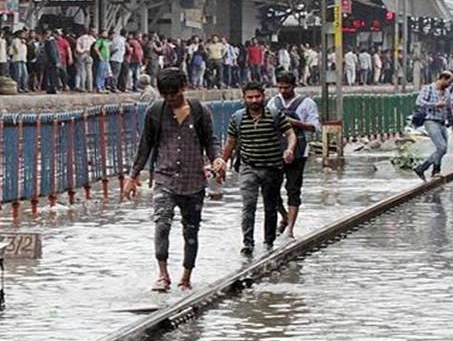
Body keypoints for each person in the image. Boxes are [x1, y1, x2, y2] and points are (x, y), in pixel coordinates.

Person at [123, 68, 225, 292]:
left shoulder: (199, 111)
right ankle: (163, 274)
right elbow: (145, 146)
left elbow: (211, 141)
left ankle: (186, 277)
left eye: (174, 93)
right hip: (164, 177)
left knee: (191, 230)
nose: (170, 98)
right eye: (165, 94)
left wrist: (217, 158)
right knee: (162, 223)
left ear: (184, 88)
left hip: (193, 180)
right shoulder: (155, 112)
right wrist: (133, 175)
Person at [221, 81, 297, 256]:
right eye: (250, 97)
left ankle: (268, 242)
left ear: (263, 96)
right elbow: (231, 142)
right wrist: (222, 162)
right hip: (249, 167)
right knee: (248, 206)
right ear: (244, 98)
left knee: (270, 206)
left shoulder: (275, 115)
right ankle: (248, 243)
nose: (254, 100)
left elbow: (290, 133)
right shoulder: (237, 118)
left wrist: (290, 149)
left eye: (257, 96)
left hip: (272, 168)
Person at [267, 72, 320, 240]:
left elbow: (314, 127)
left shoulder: (307, 103)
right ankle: (284, 215)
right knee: (270, 188)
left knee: (293, 189)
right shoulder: (273, 103)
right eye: (280, 87)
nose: (283, 91)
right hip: (275, 150)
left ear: (294, 86)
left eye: (286, 87)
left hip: (299, 152)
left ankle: (290, 228)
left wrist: (293, 122)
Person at [413, 71, 453, 180]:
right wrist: (435, 105)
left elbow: (449, 109)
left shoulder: (447, 92)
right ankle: (422, 167)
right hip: (431, 120)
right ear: (443, 78)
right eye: (449, 82)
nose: (450, 84)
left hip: (442, 122)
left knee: (443, 149)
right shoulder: (429, 89)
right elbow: (419, 102)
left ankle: (436, 170)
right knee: (441, 147)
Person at [75, 27, 95, 92]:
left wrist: (83, 51)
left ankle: (82, 86)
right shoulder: (93, 39)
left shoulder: (80, 39)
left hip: (82, 55)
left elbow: (78, 49)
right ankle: (90, 87)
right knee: (89, 72)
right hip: (89, 55)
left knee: (82, 71)